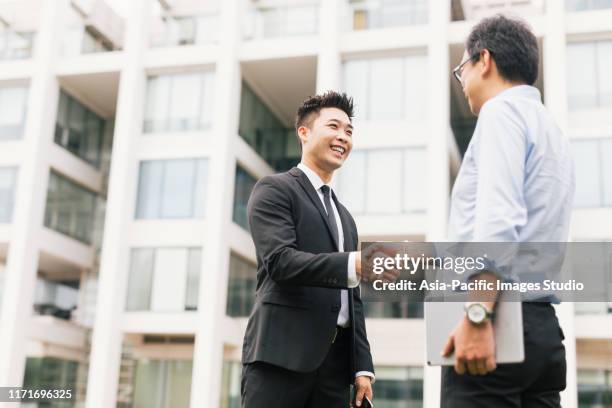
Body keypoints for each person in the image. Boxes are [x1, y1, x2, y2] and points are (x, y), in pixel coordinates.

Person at [441, 14, 575, 407]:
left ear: (484, 60)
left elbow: (498, 221)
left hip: (497, 325)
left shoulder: (501, 113)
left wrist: (479, 315)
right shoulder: (552, 131)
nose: (462, 81)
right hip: (543, 331)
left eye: (461, 69)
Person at [241, 91, 375, 408]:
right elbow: (281, 262)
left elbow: (351, 300)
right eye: (334, 127)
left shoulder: (345, 217)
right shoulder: (275, 189)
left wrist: (362, 366)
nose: (343, 137)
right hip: (280, 359)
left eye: (349, 131)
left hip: (334, 370)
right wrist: (351, 264)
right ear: (304, 132)